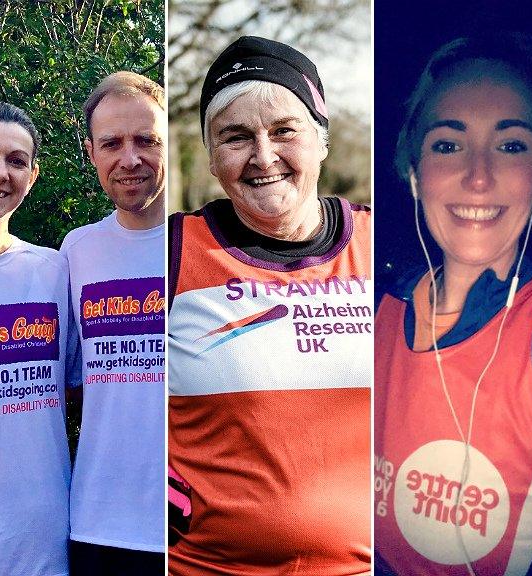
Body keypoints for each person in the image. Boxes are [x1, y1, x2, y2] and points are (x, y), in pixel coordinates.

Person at [167, 36, 372, 574]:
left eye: (284, 130)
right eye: (235, 137)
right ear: (211, 157)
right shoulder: (171, 251)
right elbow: (105, 381)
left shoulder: (390, 246)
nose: (263, 156)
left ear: (321, 140)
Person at [375, 33, 532, 575]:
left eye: (511, 145)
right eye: (448, 144)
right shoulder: (372, 310)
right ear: (415, 173)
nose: (479, 176)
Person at [0, 102, 73, 576]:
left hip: (43, 541)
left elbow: (81, 393)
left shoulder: (56, 271)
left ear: (34, 174)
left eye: (16, 161)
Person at [61, 71, 166, 575]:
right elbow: (71, 383)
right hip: (99, 526)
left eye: (146, 140)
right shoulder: (75, 252)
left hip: (195, 533)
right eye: (112, 144)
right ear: (91, 153)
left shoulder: (206, 242)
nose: (130, 159)